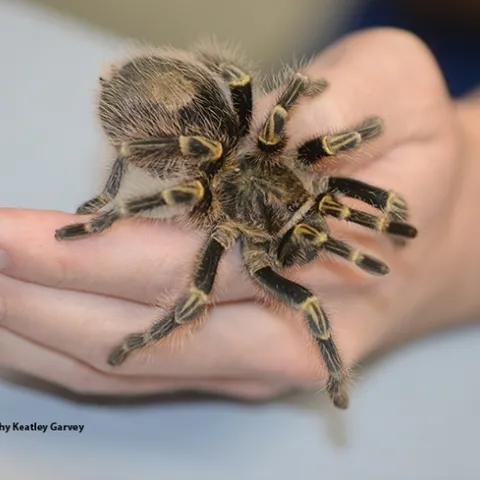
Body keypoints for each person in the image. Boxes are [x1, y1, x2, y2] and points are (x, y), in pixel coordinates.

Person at [0, 26, 478, 401]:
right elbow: (259, 91)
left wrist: (445, 219)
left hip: (201, 127)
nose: (313, 232)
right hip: (161, 122)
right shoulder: (221, 199)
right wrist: (111, 211)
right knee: (212, 146)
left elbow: (280, 100)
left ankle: (149, 334)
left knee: (258, 293)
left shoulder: (296, 164)